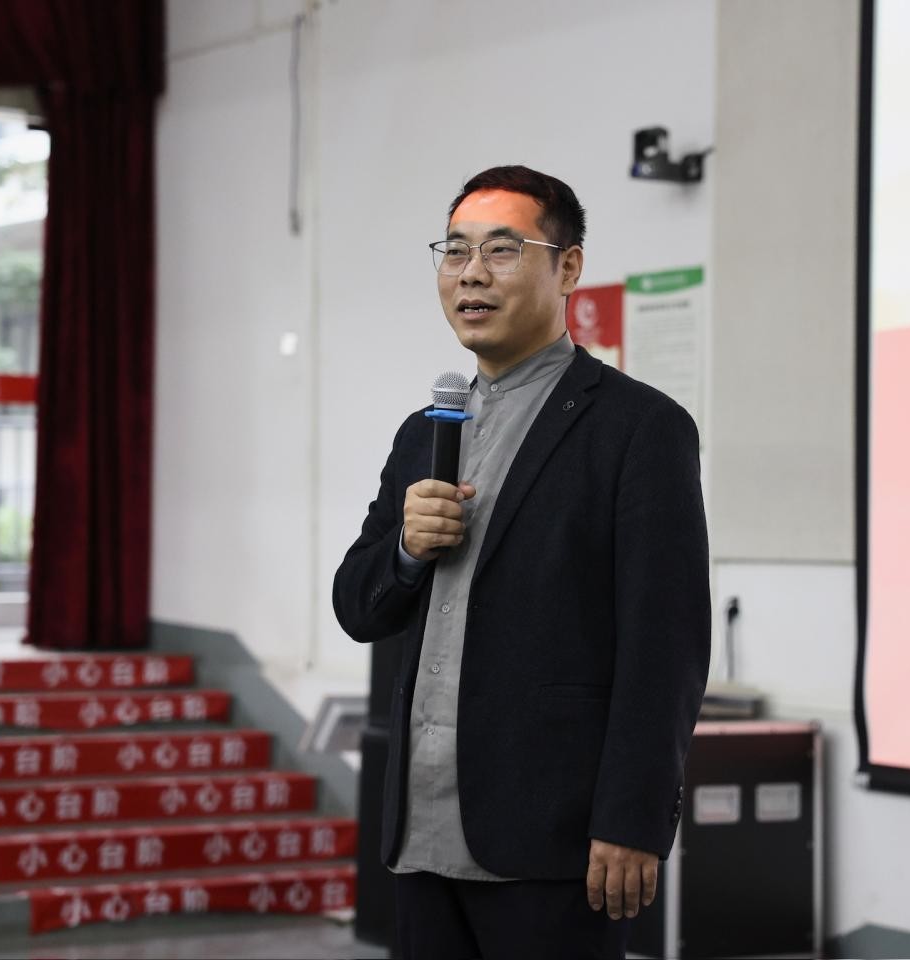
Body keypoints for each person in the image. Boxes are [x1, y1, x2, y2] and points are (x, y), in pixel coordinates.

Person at [332, 165, 709, 959]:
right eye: (455, 251)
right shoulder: (424, 432)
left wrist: (632, 818)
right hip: (422, 831)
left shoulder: (638, 429)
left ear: (567, 269)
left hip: (554, 838)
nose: (471, 273)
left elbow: (665, 647)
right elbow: (357, 607)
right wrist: (405, 550)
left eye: (502, 250)